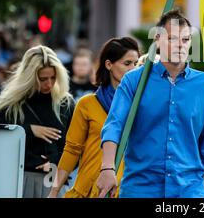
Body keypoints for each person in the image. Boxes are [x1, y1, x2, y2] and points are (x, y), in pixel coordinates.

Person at [97, 9, 204, 198]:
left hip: (189, 190)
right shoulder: (133, 81)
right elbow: (114, 125)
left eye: (185, 40)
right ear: (157, 40)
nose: (180, 45)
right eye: (172, 39)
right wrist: (107, 168)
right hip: (140, 189)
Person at [48, 37, 140, 198]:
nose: (133, 69)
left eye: (136, 64)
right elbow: (71, 150)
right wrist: (54, 191)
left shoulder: (143, 106)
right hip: (87, 190)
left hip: (126, 191)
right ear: (109, 64)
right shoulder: (87, 104)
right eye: (127, 63)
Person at [0, 45, 74, 198]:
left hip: (55, 182)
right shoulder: (11, 104)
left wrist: (57, 161)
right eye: (42, 79)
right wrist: (28, 130)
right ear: (29, 76)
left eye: (53, 77)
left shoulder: (65, 103)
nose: (49, 83)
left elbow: (76, 146)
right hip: (17, 180)